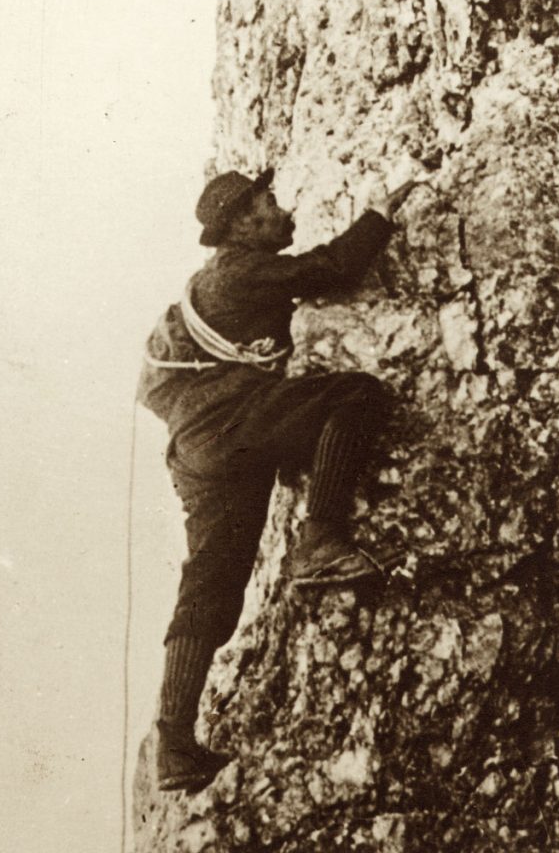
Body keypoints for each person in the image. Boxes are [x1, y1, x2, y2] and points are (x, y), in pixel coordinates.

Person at [137, 167, 418, 794]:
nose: (280, 207)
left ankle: (175, 744)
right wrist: (379, 210)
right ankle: (320, 539)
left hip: (195, 451)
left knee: (211, 581)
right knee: (356, 396)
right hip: (234, 427)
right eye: (267, 202)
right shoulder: (238, 269)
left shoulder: (220, 278)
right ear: (241, 223)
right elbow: (332, 267)